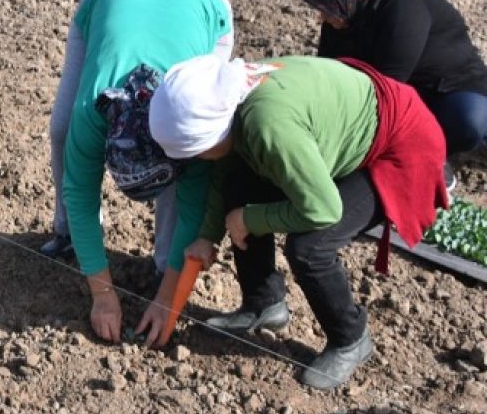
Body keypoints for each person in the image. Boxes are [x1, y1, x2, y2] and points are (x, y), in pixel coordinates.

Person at [149, 54, 449, 389]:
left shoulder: (267, 125)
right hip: (335, 127)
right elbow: (225, 171)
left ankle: (351, 339)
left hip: (397, 145)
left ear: (214, 133)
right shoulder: (232, 101)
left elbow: (323, 209)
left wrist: (250, 218)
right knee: (240, 186)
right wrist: (208, 236)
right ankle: (263, 304)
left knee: (310, 247)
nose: (198, 159)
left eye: (198, 151)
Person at [42, 0, 234, 346]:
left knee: (179, 188)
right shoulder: (93, 112)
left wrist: (168, 300)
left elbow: (194, 207)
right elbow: (82, 196)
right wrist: (102, 296)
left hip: (203, 7)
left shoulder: (189, 126)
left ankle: (166, 264)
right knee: (62, 132)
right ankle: (66, 234)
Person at [302, 0, 487, 157]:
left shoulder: (405, 3)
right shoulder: (343, 12)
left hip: (450, 87)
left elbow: (388, 87)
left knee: (467, 123)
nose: (322, 19)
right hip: (406, 90)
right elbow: (330, 72)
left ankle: (436, 152)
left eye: (325, 11)